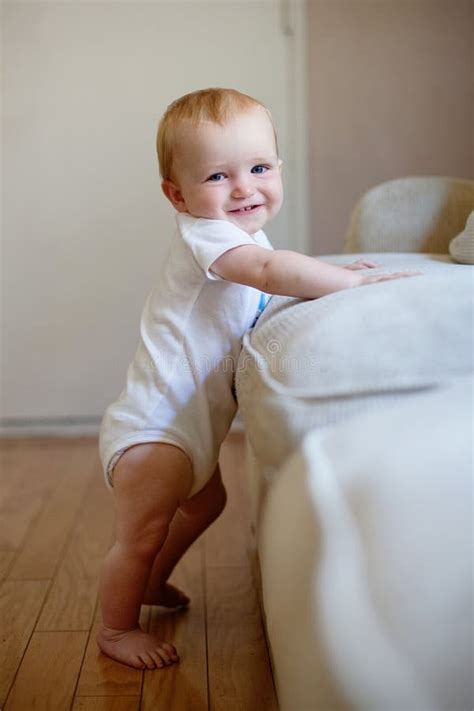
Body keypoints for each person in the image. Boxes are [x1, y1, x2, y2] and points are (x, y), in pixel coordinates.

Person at [97, 87, 417, 670]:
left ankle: (151, 580)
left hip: (187, 429)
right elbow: (269, 273)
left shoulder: (242, 235)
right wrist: (342, 281)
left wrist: (324, 274)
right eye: (218, 176)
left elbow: (263, 278)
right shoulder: (206, 236)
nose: (244, 187)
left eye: (260, 167)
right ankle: (116, 630)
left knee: (205, 504)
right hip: (154, 430)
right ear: (178, 195)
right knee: (138, 534)